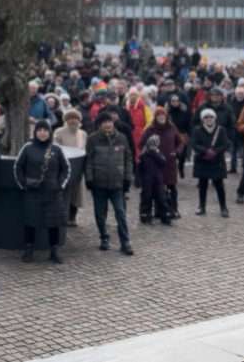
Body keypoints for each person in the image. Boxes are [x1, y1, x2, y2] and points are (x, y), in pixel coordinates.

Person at [14, 120, 70, 264]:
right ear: (35, 132)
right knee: (30, 222)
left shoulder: (57, 149)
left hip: (53, 193)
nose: (42, 133)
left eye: (45, 130)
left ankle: (54, 251)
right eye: (39, 130)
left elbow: (66, 168)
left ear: (49, 132)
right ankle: (29, 250)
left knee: (53, 224)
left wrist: (60, 185)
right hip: (33, 192)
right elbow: (18, 167)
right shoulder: (27, 148)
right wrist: (23, 184)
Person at [85, 113, 134, 256]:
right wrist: (89, 179)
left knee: (120, 212)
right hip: (99, 184)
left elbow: (128, 159)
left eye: (110, 122)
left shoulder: (122, 138)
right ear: (100, 124)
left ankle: (125, 242)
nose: (108, 124)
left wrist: (127, 178)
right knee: (100, 214)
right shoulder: (93, 139)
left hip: (117, 184)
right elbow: (88, 161)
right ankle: (104, 237)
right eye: (104, 122)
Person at [141, 107, 183, 219]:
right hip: (156, 164)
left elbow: (180, 143)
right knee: (157, 188)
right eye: (159, 115)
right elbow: (142, 144)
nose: (161, 117)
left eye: (163, 115)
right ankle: (159, 211)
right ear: (155, 117)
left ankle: (174, 209)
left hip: (170, 163)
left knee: (171, 187)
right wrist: (150, 153)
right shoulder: (150, 129)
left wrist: (176, 152)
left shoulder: (172, 128)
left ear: (166, 116)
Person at [190, 108, 230, 217]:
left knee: (219, 185)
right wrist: (205, 151)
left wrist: (215, 151)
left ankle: (223, 207)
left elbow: (226, 144)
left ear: (214, 118)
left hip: (217, 161)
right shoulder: (197, 130)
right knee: (202, 185)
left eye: (211, 117)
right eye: (206, 117)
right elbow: (194, 144)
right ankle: (202, 207)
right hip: (202, 160)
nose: (209, 119)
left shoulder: (221, 130)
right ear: (202, 119)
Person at [53, 108, 87, 227]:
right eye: (70, 118)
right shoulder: (59, 132)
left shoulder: (82, 134)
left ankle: (72, 217)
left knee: (76, 195)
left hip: (78, 168)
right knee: (64, 193)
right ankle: (62, 216)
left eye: (75, 118)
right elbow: (55, 148)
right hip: (63, 167)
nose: (73, 120)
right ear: (66, 120)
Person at [136, 135, 171, 225]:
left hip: (158, 180)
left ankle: (165, 216)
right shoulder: (144, 155)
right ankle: (145, 216)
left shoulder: (158, 153)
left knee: (161, 198)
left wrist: (154, 153)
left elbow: (163, 162)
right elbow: (139, 168)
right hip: (147, 180)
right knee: (146, 198)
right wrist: (138, 180)